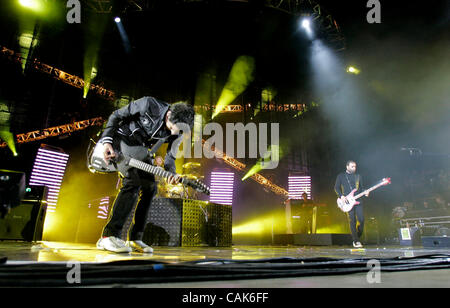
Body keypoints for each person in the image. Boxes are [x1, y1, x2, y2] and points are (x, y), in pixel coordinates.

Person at [96, 96, 195, 253]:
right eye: (171, 128)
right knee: (132, 181)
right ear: (168, 115)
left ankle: (135, 238)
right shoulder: (148, 104)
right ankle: (108, 236)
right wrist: (106, 141)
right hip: (122, 141)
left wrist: (172, 174)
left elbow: (170, 157)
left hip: (141, 150)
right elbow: (116, 116)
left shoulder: (179, 130)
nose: (173, 132)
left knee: (150, 188)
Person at [334, 160, 369, 248]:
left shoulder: (358, 176)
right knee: (352, 221)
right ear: (347, 166)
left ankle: (357, 235)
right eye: (352, 166)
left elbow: (361, 188)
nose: (354, 168)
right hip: (347, 202)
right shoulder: (341, 176)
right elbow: (336, 187)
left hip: (358, 200)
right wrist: (341, 196)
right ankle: (356, 241)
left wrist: (365, 192)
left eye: (355, 166)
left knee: (361, 220)